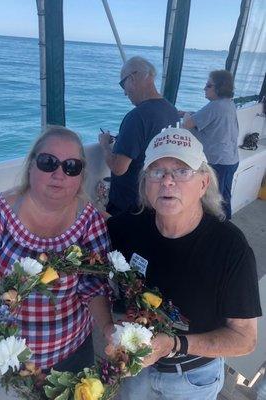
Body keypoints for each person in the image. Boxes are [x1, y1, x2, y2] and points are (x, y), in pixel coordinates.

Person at [107, 127, 261, 400]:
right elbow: (87, 237)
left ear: (203, 183)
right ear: (145, 184)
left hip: (191, 377)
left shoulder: (230, 248)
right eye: (156, 171)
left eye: (182, 170)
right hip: (136, 369)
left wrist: (175, 345)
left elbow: (245, 339)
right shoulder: (127, 227)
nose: (167, 181)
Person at [0, 126, 114, 373]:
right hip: (8, 352)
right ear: (31, 165)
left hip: (72, 348)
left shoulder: (89, 220)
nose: (59, 174)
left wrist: (108, 328)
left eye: (71, 167)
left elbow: (95, 283)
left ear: (80, 176)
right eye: (48, 162)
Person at [99, 56, 178, 216]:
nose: (124, 92)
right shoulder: (171, 111)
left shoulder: (137, 117)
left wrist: (105, 145)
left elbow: (118, 168)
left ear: (133, 78)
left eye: (123, 84)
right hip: (156, 199)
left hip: (129, 205)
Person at [181, 70, 239, 219]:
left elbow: (187, 124)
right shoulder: (228, 104)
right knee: (224, 196)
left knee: (213, 200)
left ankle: (216, 229)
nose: (204, 88)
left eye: (208, 86)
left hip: (218, 162)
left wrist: (186, 114)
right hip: (230, 160)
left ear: (219, 87)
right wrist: (190, 113)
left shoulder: (215, 106)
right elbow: (208, 117)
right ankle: (226, 226)